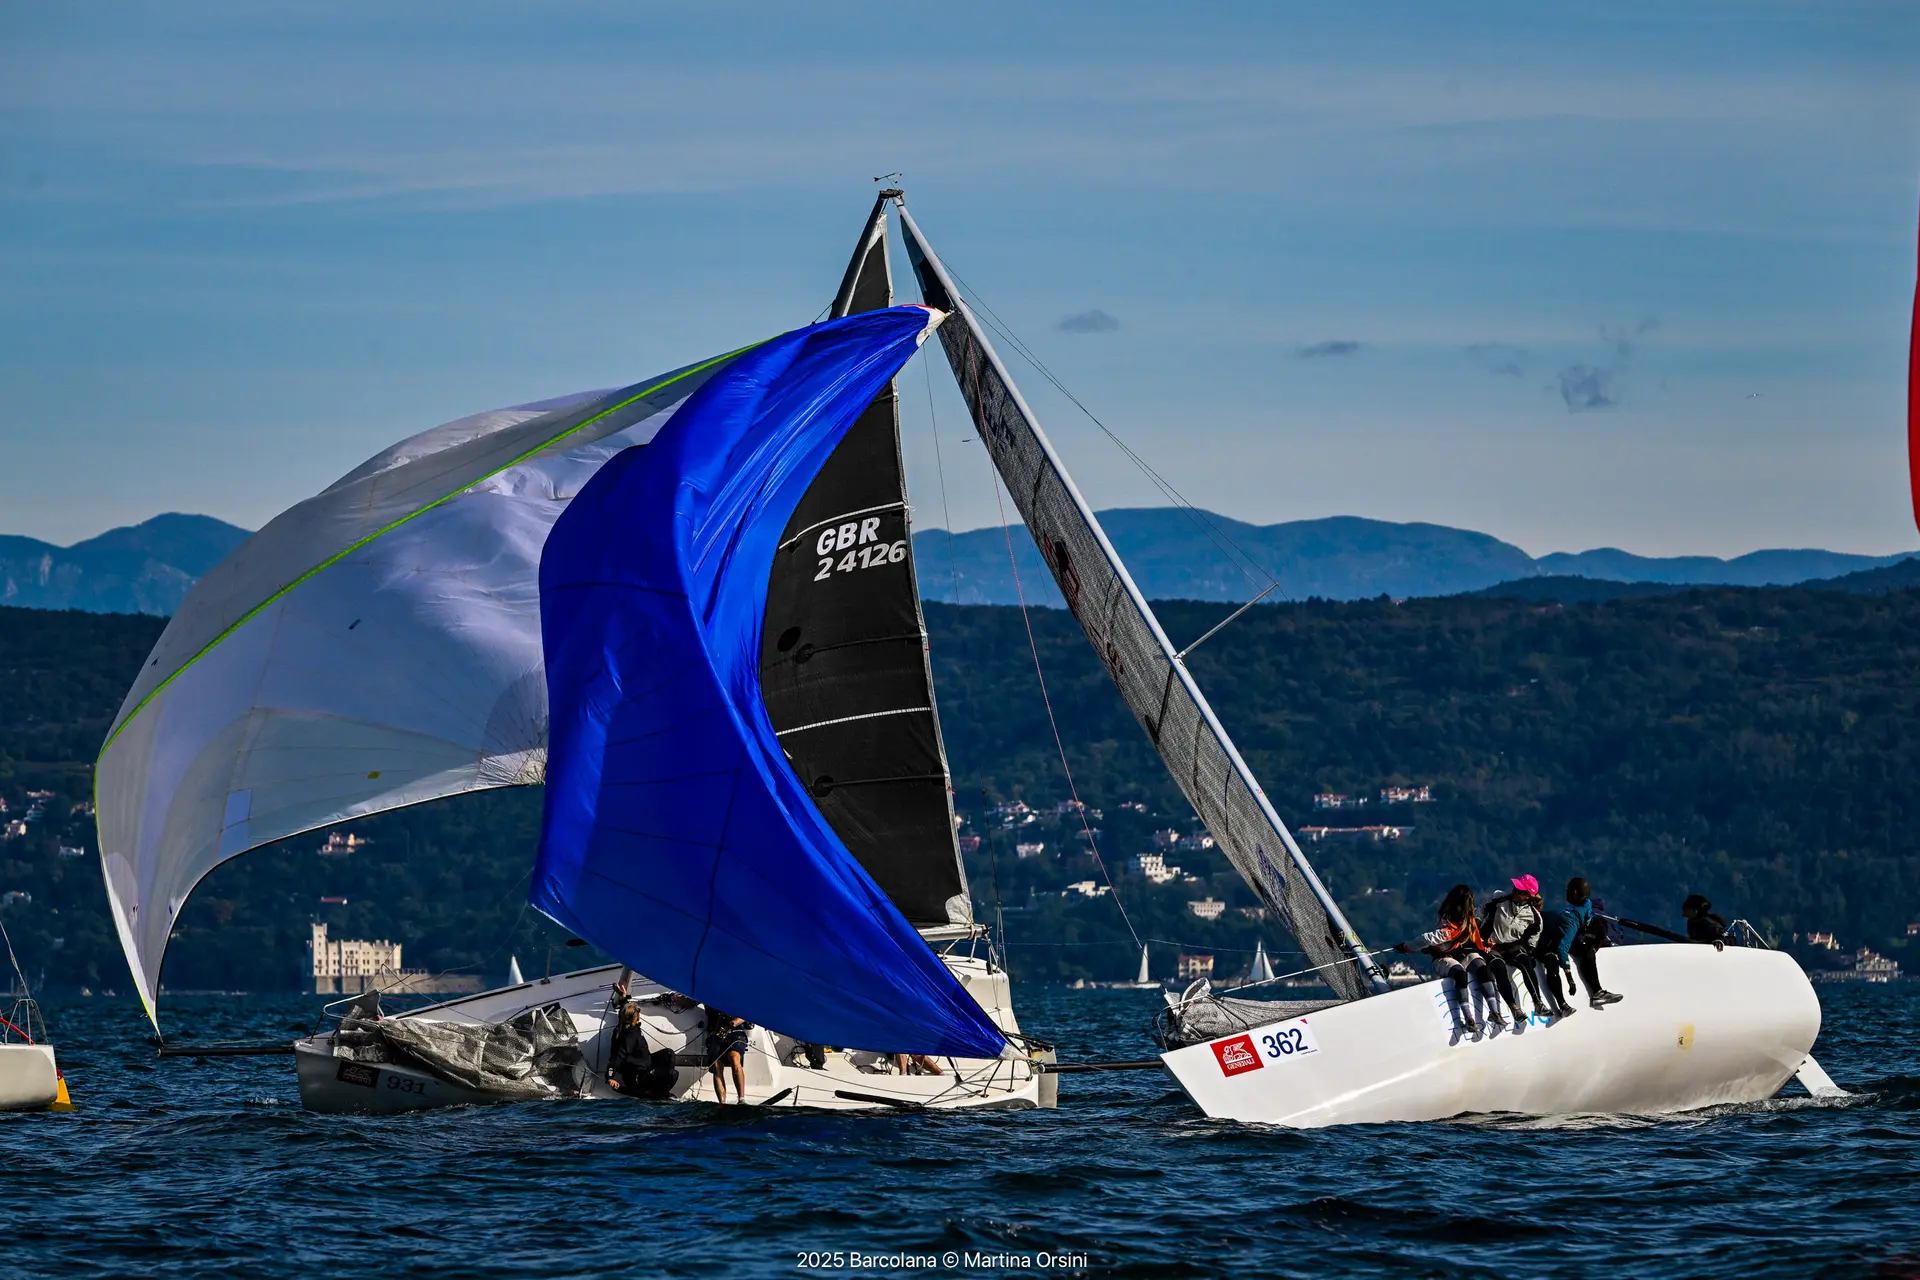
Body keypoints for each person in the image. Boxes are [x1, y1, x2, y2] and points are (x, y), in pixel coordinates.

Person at [1397, 883, 1505, 1033]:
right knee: (1460, 974)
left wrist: (1494, 903)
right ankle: (1468, 1019)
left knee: (1482, 969)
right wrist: (1407, 947)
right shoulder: (1450, 928)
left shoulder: (1470, 920)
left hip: (1462, 954)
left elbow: (1480, 914)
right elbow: (1427, 939)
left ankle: (1494, 1012)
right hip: (1443, 958)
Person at [1537, 876, 1622, 1012]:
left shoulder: (1578, 913)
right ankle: (1565, 1003)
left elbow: (1563, 947)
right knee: (1579, 952)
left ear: (1575, 893)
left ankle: (1597, 993)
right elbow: (1562, 949)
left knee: (1587, 951)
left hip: (1558, 936)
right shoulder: (1579, 911)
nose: (1566, 893)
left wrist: (1593, 946)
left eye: (1567, 890)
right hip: (1544, 938)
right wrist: (1569, 977)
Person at [1480, 874, 1547, 1021]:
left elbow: (1535, 934)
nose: (1514, 890)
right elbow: (1482, 916)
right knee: (1499, 967)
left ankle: (1538, 1004)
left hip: (1514, 945)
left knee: (1526, 962)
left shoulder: (1533, 915)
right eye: (1515, 888)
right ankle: (1514, 1009)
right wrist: (1481, 940)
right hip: (1493, 945)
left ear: (1527, 896)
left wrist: (1530, 950)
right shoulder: (1499, 901)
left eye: (1518, 890)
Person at [704, 1006, 752, 1103]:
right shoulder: (710, 998)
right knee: (716, 1065)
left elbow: (746, 1014)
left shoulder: (738, 999)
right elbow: (691, 1002)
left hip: (736, 1032)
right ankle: (722, 1103)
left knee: (734, 1058)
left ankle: (741, 1099)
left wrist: (731, 1024)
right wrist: (675, 999)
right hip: (715, 1034)